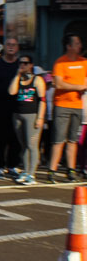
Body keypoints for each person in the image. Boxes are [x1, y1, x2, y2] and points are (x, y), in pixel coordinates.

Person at [49, 34, 87, 183]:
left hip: (77, 105)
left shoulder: (84, 62)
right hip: (62, 105)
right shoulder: (60, 63)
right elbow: (58, 84)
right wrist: (78, 87)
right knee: (58, 140)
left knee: (72, 140)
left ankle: (71, 170)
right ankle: (52, 170)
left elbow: (85, 80)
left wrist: (82, 87)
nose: (80, 46)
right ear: (69, 46)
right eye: (77, 43)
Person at [9, 55, 46, 185]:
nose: (22, 65)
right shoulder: (18, 79)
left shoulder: (37, 80)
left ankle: (32, 174)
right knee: (23, 145)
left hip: (32, 114)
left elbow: (42, 100)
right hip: (18, 114)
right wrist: (17, 75)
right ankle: (25, 170)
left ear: (31, 65)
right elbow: (12, 92)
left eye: (25, 63)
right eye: (20, 63)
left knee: (32, 145)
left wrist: (40, 117)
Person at [0, 38, 21, 175]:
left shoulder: (21, 65)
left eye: (14, 45)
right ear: (4, 47)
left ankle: (13, 165)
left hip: (18, 106)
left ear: (18, 48)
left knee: (16, 138)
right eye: (8, 44)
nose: (11, 47)